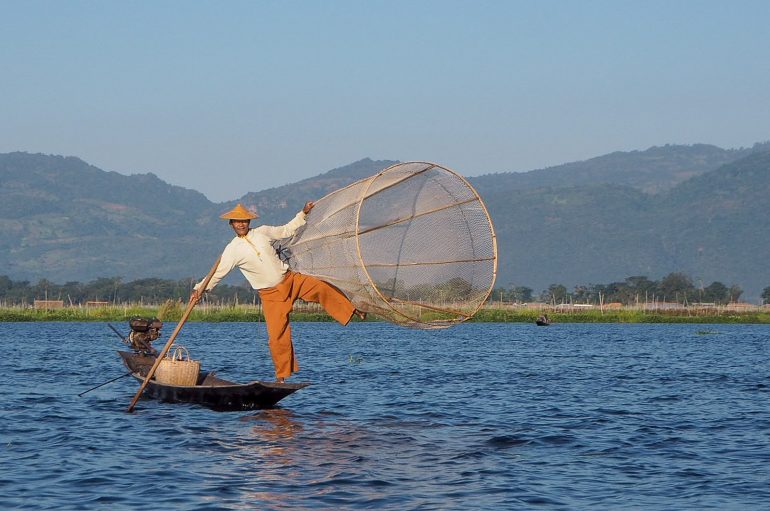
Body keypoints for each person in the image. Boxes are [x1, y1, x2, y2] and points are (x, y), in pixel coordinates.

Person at [190, 202, 366, 382]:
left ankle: (352, 309)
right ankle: (281, 377)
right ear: (231, 224)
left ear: (249, 222)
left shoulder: (263, 232)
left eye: (244, 221)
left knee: (321, 287)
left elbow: (286, 230)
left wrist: (302, 214)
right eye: (237, 221)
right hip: (271, 296)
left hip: (290, 280)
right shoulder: (232, 250)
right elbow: (217, 274)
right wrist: (199, 289)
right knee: (277, 336)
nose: (241, 224)